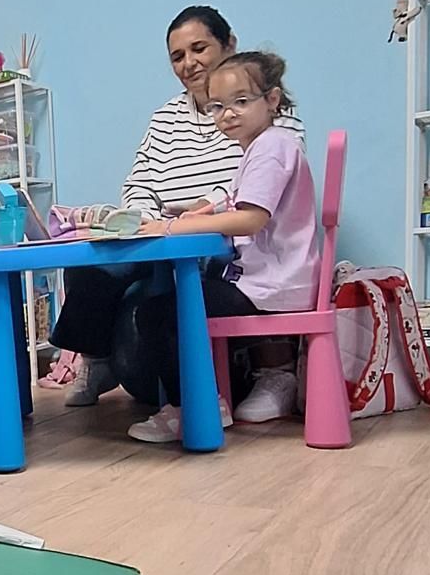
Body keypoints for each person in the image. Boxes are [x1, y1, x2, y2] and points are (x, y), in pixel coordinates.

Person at [51, 5, 305, 421]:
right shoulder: (166, 118)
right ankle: (96, 361)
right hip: (166, 229)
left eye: (199, 48)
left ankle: (253, 379)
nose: (189, 63)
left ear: (229, 45)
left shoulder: (268, 118)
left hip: (221, 241)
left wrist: (189, 214)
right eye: (177, 56)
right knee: (91, 262)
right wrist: (147, 219)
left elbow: (258, 193)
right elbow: (139, 184)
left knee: (165, 310)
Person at [127, 51, 317, 444]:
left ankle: (192, 408)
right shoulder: (264, 146)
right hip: (276, 281)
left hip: (271, 288)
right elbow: (233, 197)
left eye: (241, 102)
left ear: (273, 100)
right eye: (217, 107)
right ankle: (202, 400)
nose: (228, 114)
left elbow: (250, 218)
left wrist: (173, 225)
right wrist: (204, 209)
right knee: (175, 301)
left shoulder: (270, 148)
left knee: (158, 313)